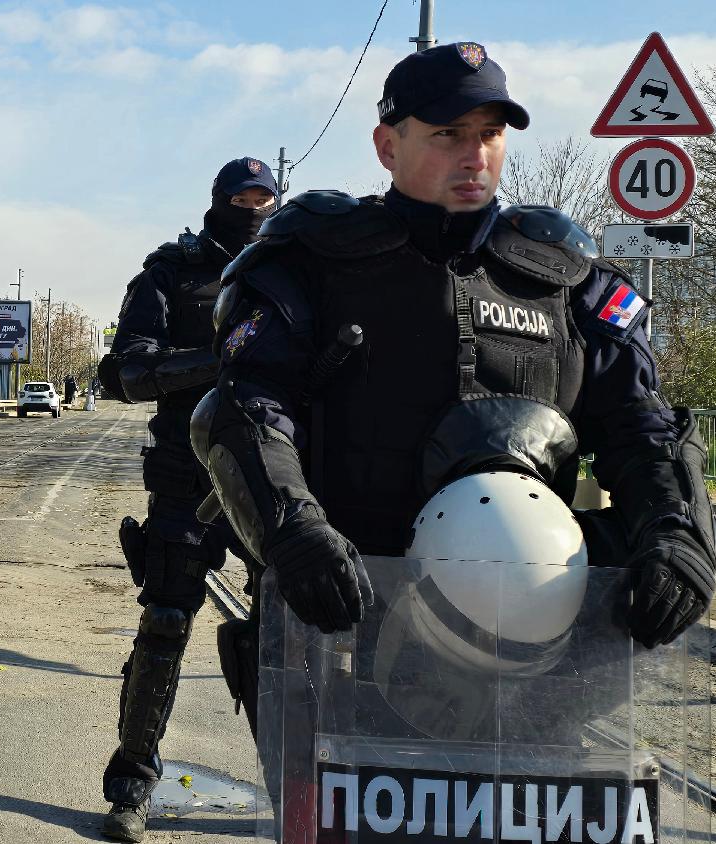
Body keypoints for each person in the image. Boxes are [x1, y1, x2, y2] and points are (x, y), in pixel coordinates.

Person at [193, 40, 714, 831]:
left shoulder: (566, 279)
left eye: (490, 132)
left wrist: (676, 533)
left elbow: (643, 427)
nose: (475, 154)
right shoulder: (312, 264)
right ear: (387, 144)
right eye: (446, 133)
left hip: (538, 657)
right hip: (342, 638)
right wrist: (293, 532)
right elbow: (245, 409)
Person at [95, 156, 277, 841]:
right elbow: (128, 373)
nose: (253, 205)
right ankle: (132, 782)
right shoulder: (170, 272)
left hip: (273, 475)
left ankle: (295, 791)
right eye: (243, 194)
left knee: (284, 636)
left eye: (264, 196)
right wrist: (221, 362)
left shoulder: (296, 269)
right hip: (187, 472)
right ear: (219, 199)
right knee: (166, 620)